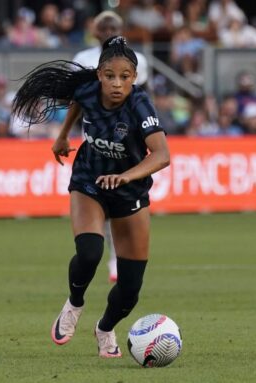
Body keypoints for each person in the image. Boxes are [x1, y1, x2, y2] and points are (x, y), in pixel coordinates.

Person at [12, 36, 170, 357]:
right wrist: (61, 136)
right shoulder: (87, 90)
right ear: (99, 75)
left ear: (134, 78)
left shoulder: (140, 105)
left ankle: (106, 328)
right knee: (89, 252)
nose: (116, 83)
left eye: (124, 77)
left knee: (129, 290)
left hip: (129, 191)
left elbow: (162, 155)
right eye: (109, 76)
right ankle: (74, 304)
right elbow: (78, 102)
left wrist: (126, 175)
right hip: (89, 180)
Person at [73, 10, 149, 282]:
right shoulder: (83, 59)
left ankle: (119, 257)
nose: (107, 31)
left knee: (123, 205)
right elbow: (78, 99)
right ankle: (110, 256)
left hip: (127, 146)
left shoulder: (137, 59)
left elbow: (140, 98)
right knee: (98, 206)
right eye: (103, 27)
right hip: (95, 143)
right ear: (95, 31)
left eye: (112, 26)